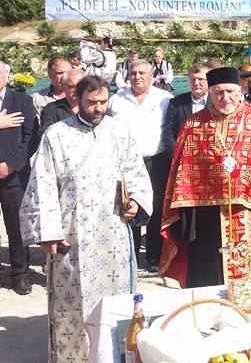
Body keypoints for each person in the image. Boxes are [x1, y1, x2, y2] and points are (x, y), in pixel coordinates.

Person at [20, 75, 152, 360]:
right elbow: (42, 183)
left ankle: (116, 355)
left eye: (103, 102)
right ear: (75, 100)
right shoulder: (56, 135)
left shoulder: (120, 131)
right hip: (71, 236)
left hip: (113, 235)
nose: (98, 108)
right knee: (72, 305)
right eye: (92, 102)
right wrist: (48, 232)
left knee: (115, 302)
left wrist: (137, 204)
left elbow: (137, 173)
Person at [159, 67, 251, 288]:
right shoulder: (193, 125)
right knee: (209, 277)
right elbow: (181, 172)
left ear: (240, 90)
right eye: (218, 92)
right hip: (206, 216)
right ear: (210, 93)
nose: (225, 97)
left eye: (231, 91)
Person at [108, 59, 173, 270]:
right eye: (133, 73)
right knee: (130, 206)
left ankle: (153, 256)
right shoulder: (116, 100)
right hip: (126, 163)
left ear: (151, 75)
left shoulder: (164, 98)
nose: (137, 76)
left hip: (156, 160)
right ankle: (131, 255)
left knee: (154, 208)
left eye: (142, 73)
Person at [0, 62, 38, 295]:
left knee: (16, 226)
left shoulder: (22, 101)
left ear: (7, 74)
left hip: (14, 175)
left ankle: (20, 273)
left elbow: (30, 138)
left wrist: (11, 165)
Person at [161, 63, 211, 156]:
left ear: (209, 80)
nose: (196, 83)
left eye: (200, 79)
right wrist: (177, 155)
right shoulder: (176, 103)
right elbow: (168, 133)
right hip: (182, 158)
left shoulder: (216, 102)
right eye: (193, 79)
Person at [39, 68, 85, 135]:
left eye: (81, 86)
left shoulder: (95, 107)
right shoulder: (51, 109)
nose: (76, 90)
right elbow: (47, 135)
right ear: (63, 87)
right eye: (72, 86)